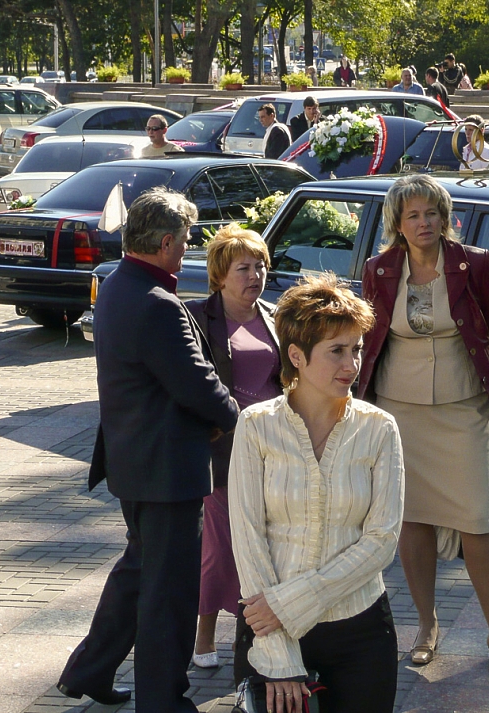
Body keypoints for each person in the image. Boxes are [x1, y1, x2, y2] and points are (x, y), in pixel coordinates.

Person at [56, 187, 240, 712]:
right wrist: (240, 420)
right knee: (169, 594)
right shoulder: (157, 303)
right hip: (167, 471)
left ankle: (89, 670)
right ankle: (163, 700)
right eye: (185, 240)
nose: (188, 248)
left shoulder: (119, 283)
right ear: (164, 243)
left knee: (140, 573)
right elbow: (197, 383)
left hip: (138, 462)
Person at [359, 174, 489, 675]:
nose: (424, 222)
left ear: (445, 217)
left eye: (431, 213)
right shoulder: (379, 269)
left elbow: (488, 329)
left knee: (477, 520)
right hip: (400, 407)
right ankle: (426, 625)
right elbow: (372, 335)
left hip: (462, 406)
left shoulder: (473, 263)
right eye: (413, 215)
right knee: (412, 518)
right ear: (397, 223)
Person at [230, 273, 404, 713]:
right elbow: (248, 540)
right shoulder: (255, 426)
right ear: (297, 356)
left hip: (361, 631)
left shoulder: (379, 429)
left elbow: (382, 541)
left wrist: (289, 602)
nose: (352, 365)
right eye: (336, 351)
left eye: (356, 349)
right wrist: (278, 654)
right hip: (270, 631)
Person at [185, 224, 281, 670]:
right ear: (220, 275)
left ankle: (260, 635)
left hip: (274, 448)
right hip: (222, 451)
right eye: (243, 268)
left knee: (268, 546)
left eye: (260, 266)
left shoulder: (276, 316)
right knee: (222, 549)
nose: (255, 275)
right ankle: (203, 638)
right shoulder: (197, 317)